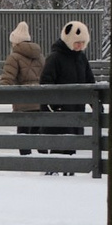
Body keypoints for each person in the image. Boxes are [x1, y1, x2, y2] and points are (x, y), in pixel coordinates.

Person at [38, 19, 95, 161]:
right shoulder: (55, 58)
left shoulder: (81, 58)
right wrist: (54, 105)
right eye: (77, 42)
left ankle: (68, 172)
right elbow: (46, 82)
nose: (80, 46)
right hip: (59, 109)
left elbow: (90, 82)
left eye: (83, 43)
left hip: (76, 108)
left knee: (72, 143)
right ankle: (55, 170)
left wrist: (95, 104)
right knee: (59, 142)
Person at [0, 20, 46, 152]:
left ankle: (25, 167)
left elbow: (8, 78)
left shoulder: (13, 57)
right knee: (40, 136)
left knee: (24, 137)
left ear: (15, 42)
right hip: (40, 101)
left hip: (22, 103)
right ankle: (44, 164)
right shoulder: (40, 56)